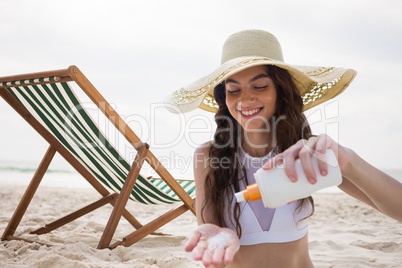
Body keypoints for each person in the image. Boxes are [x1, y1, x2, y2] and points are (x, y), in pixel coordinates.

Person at [165, 29, 402, 267]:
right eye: (234, 90)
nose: (245, 99)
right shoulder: (209, 156)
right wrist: (217, 234)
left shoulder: (307, 153)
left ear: (281, 89)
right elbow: (210, 227)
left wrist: (348, 160)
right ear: (223, 98)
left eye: (260, 86)